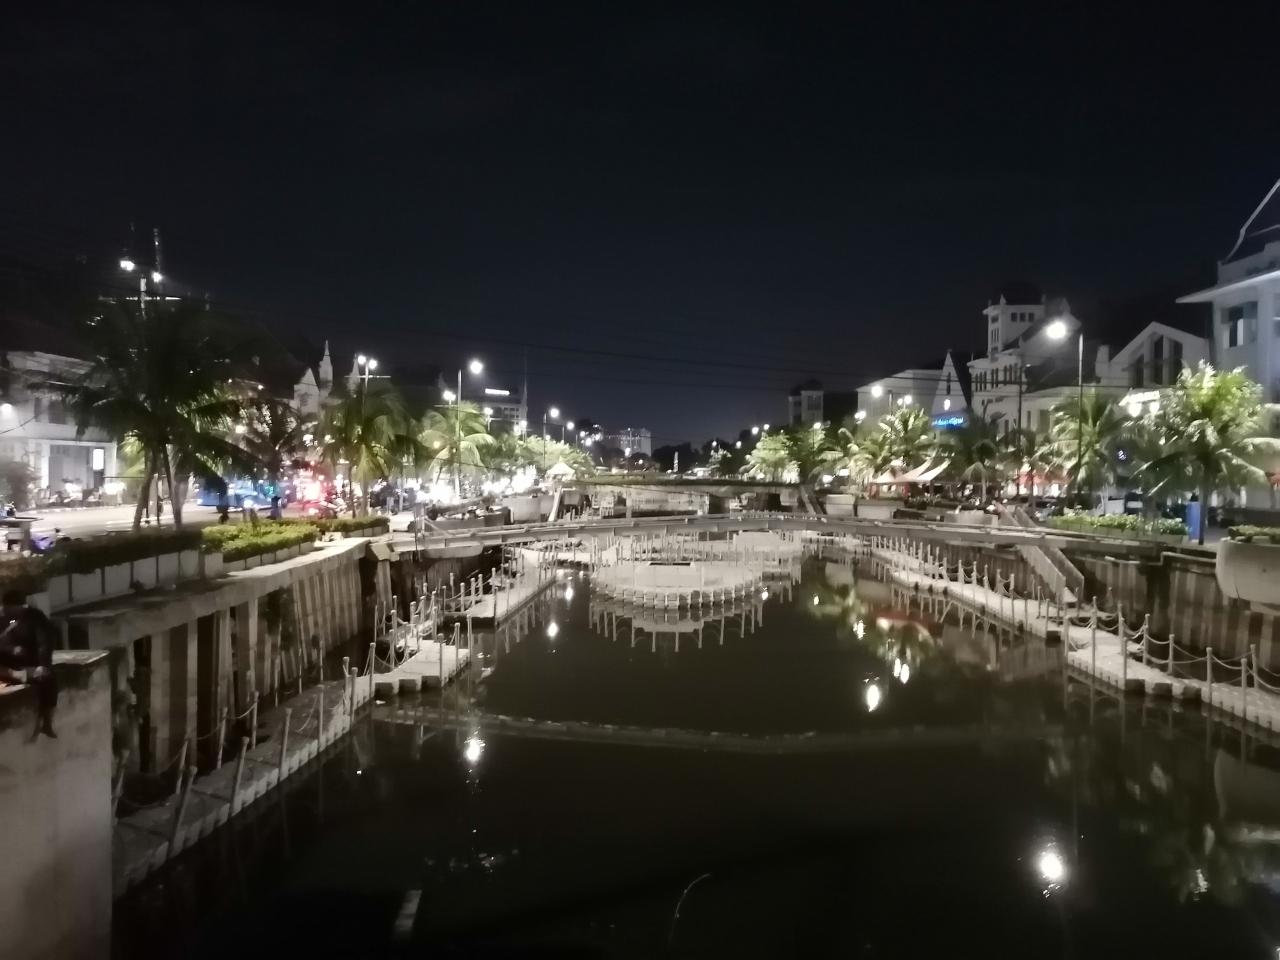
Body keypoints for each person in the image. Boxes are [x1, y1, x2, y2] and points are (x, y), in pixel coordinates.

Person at [0, 590, 58, 739]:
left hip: (29, 661)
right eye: (6, 610)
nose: (9, 613)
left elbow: (44, 643)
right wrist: (10, 648)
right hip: (7, 662)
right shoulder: (5, 618)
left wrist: (43, 665)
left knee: (47, 680)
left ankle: (46, 722)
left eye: (12, 610)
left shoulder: (35, 617)